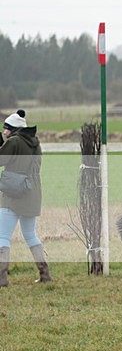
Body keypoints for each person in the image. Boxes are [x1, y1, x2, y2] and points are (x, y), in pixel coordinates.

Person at [0, 110, 50, 287]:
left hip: (13, 194)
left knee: (2, 236)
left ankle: (2, 278)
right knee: (30, 235)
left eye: (6, 128)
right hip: (32, 192)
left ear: (13, 129)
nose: (4, 131)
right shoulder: (35, 143)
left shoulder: (14, 141)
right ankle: (45, 274)